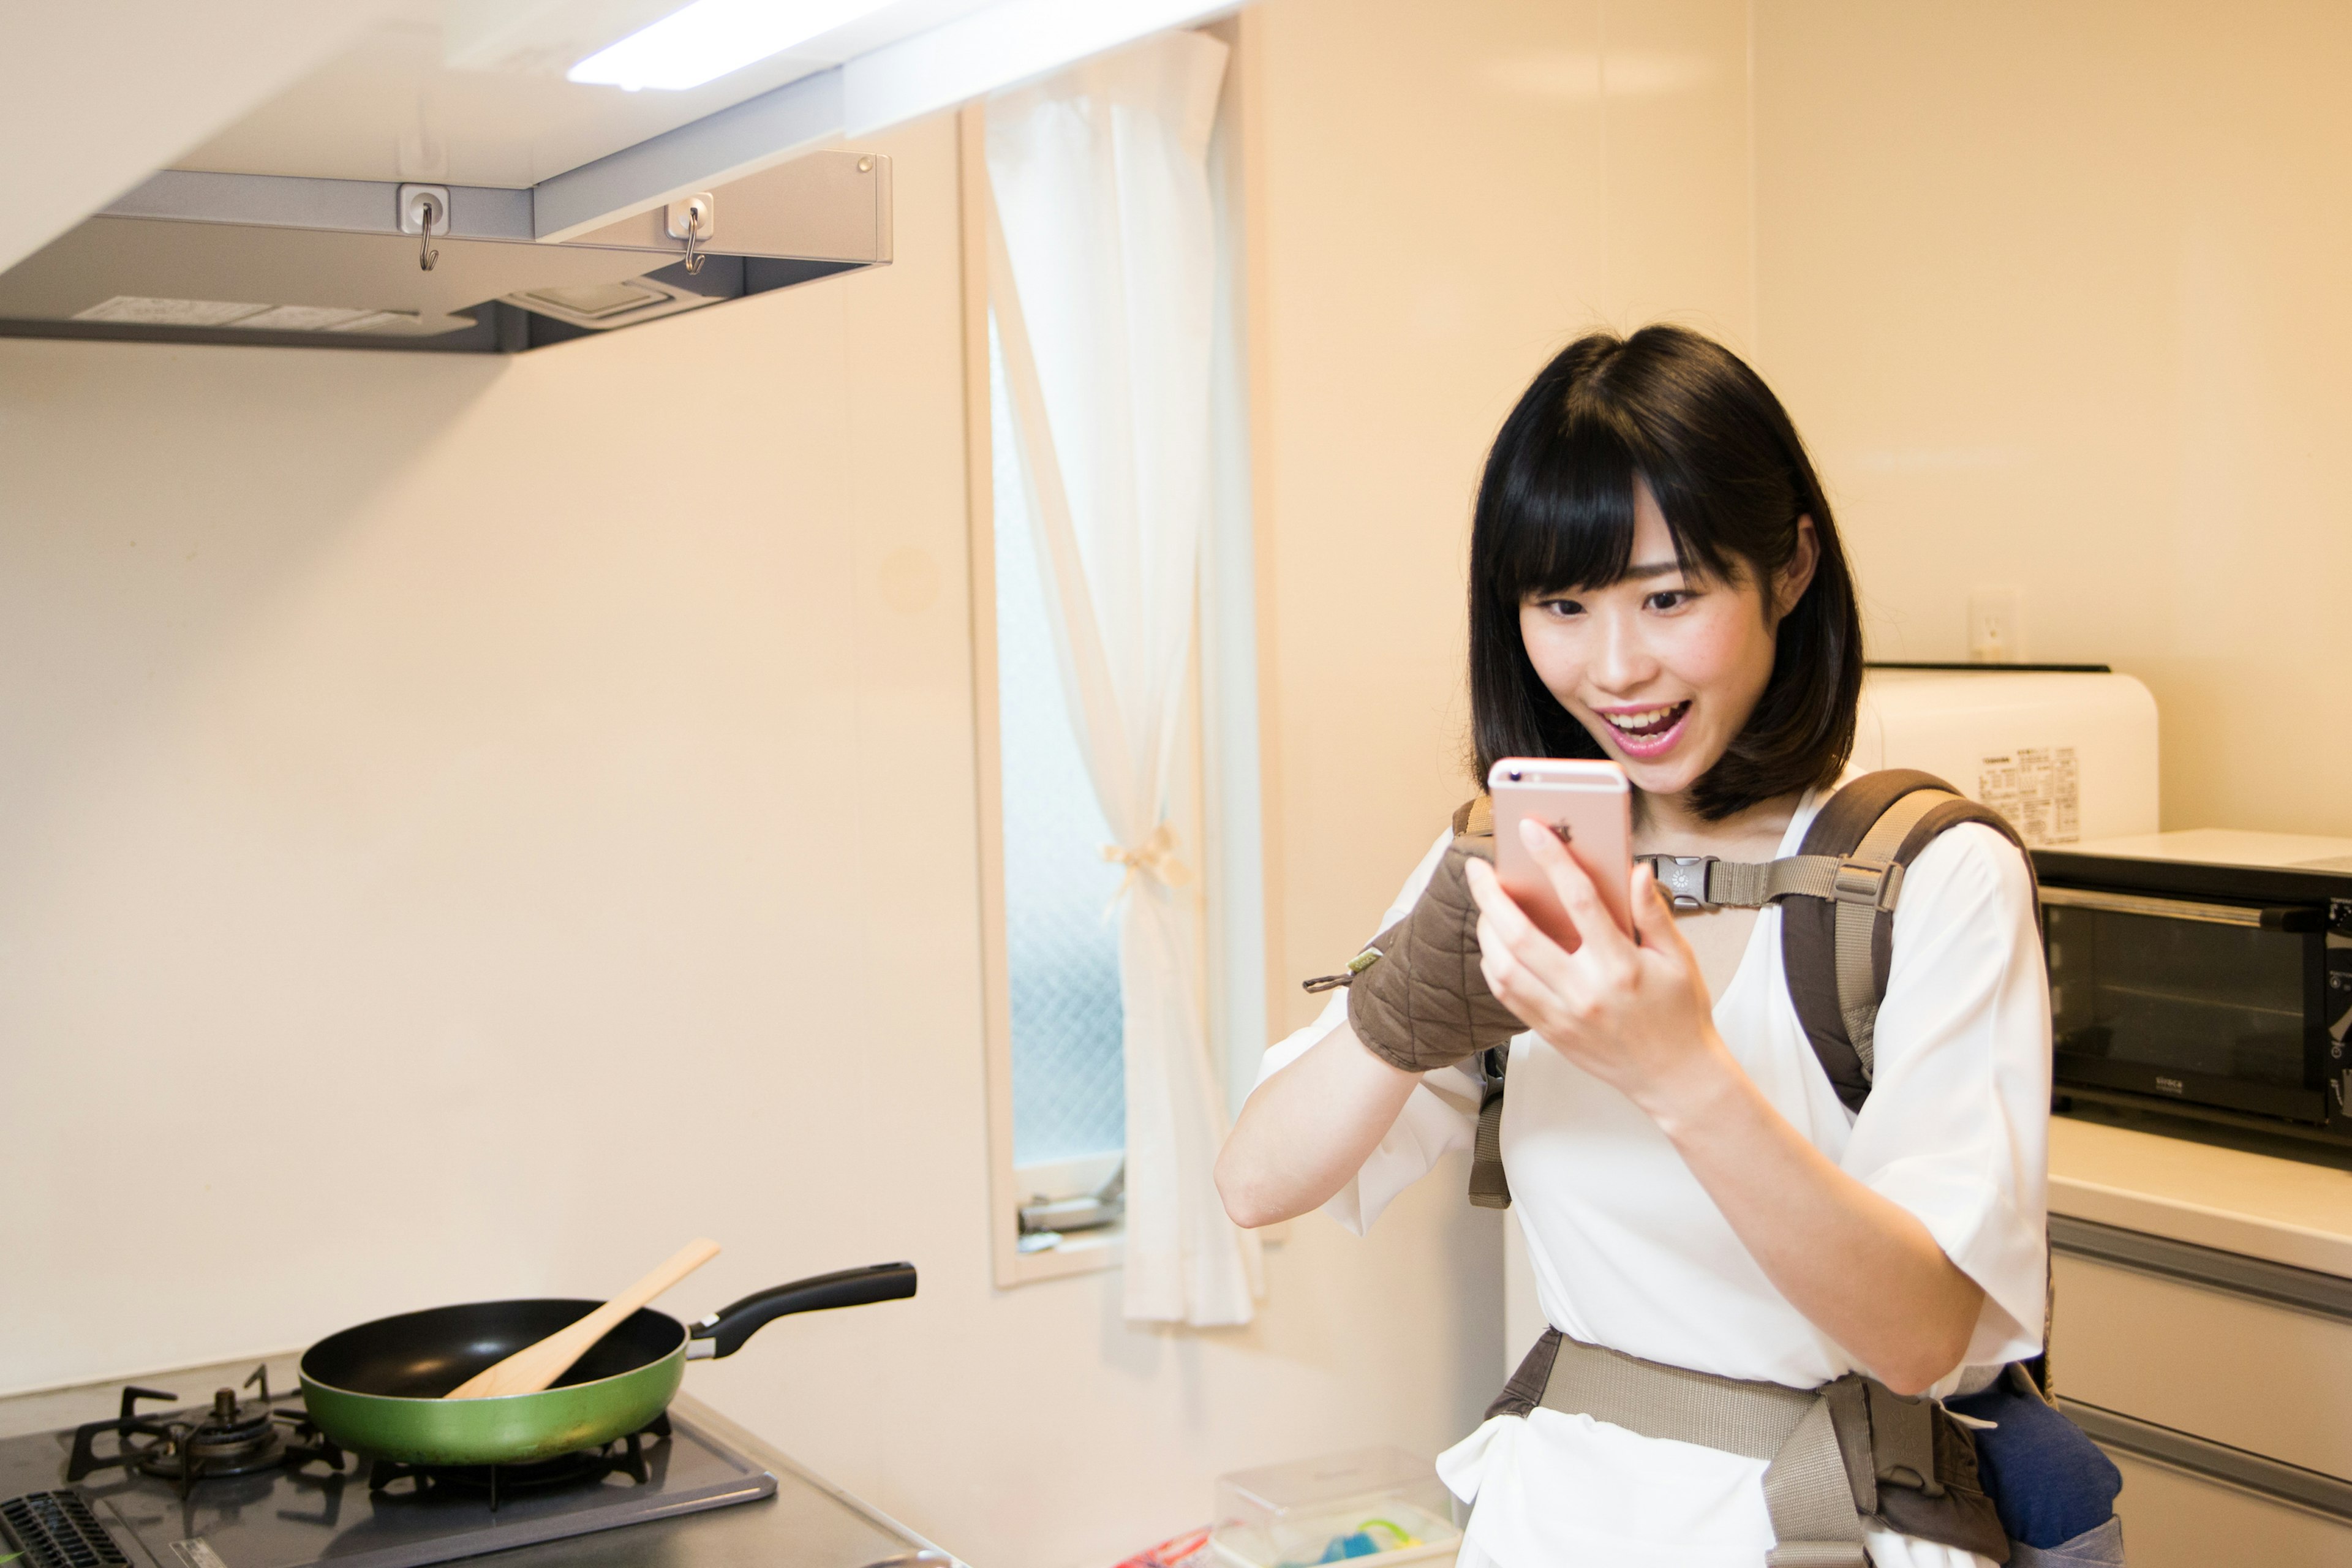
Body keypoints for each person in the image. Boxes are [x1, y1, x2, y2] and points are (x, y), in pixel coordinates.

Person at [1215, 326, 2052, 1568]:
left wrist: (1679, 1069)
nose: (1615, 668)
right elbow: (1256, 1181)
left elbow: (1923, 1335)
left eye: (1670, 596)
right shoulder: (1524, 850)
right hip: (1552, 1510)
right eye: (1563, 604)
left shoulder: (1928, 877)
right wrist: (1401, 1019)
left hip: (1820, 1522)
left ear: (1789, 567)